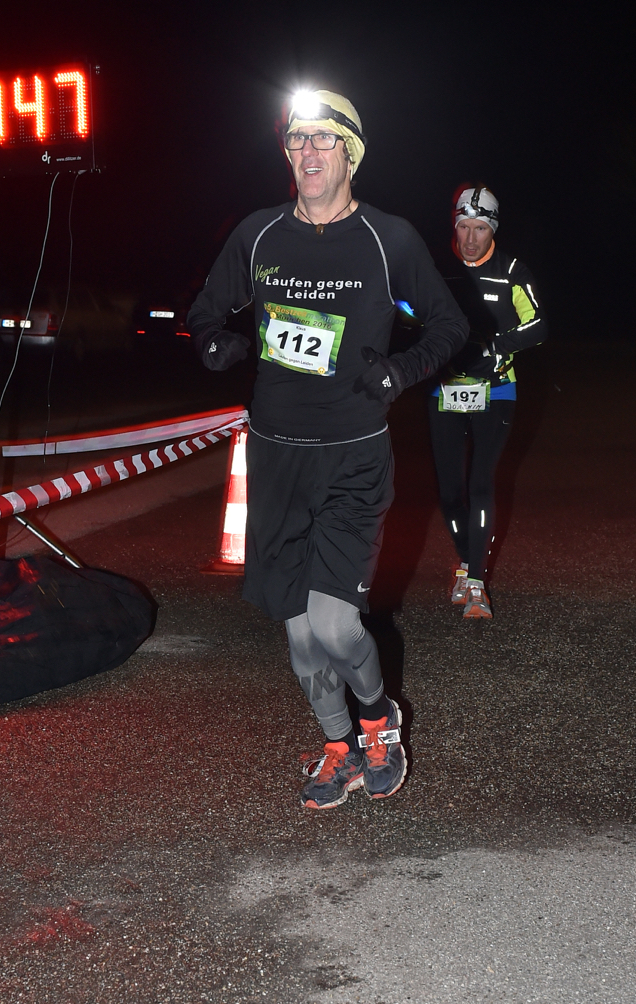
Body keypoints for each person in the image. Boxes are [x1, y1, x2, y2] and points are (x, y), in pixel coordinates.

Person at [188, 89, 468, 810]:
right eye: (294, 142)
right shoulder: (257, 235)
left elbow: (447, 327)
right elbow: (205, 312)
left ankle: (380, 723)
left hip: (352, 456)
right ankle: (337, 745)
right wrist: (217, 342)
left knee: (336, 624)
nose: (307, 154)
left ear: (349, 151)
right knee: (299, 634)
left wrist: (399, 370)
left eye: (321, 141)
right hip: (276, 457)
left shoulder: (388, 238)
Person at [428, 185, 547, 619]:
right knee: (449, 492)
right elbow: (408, 307)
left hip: (497, 388)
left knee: (481, 482)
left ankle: (475, 581)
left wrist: (496, 346)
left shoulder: (511, 269)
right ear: (455, 227)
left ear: (492, 229)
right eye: (464, 227)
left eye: (480, 227)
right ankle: (467, 558)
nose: (471, 238)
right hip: (447, 390)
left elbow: (537, 324)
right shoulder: (440, 269)